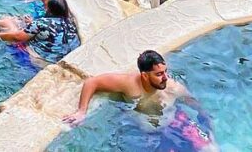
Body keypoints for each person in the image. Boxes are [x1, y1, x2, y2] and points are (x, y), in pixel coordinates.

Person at [63, 50, 216, 150]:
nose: (165, 78)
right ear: (144, 75)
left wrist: (206, 124)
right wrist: (82, 111)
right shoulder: (129, 85)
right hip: (151, 135)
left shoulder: (173, 88)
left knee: (211, 149)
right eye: (158, 74)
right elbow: (92, 82)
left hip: (176, 122)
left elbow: (195, 104)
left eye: (165, 72)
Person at [0, 0, 80, 66]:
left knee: (5, 22)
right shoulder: (70, 23)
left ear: (49, 9)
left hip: (36, 59)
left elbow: (17, 37)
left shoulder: (41, 23)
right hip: (58, 59)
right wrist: (32, 23)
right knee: (17, 23)